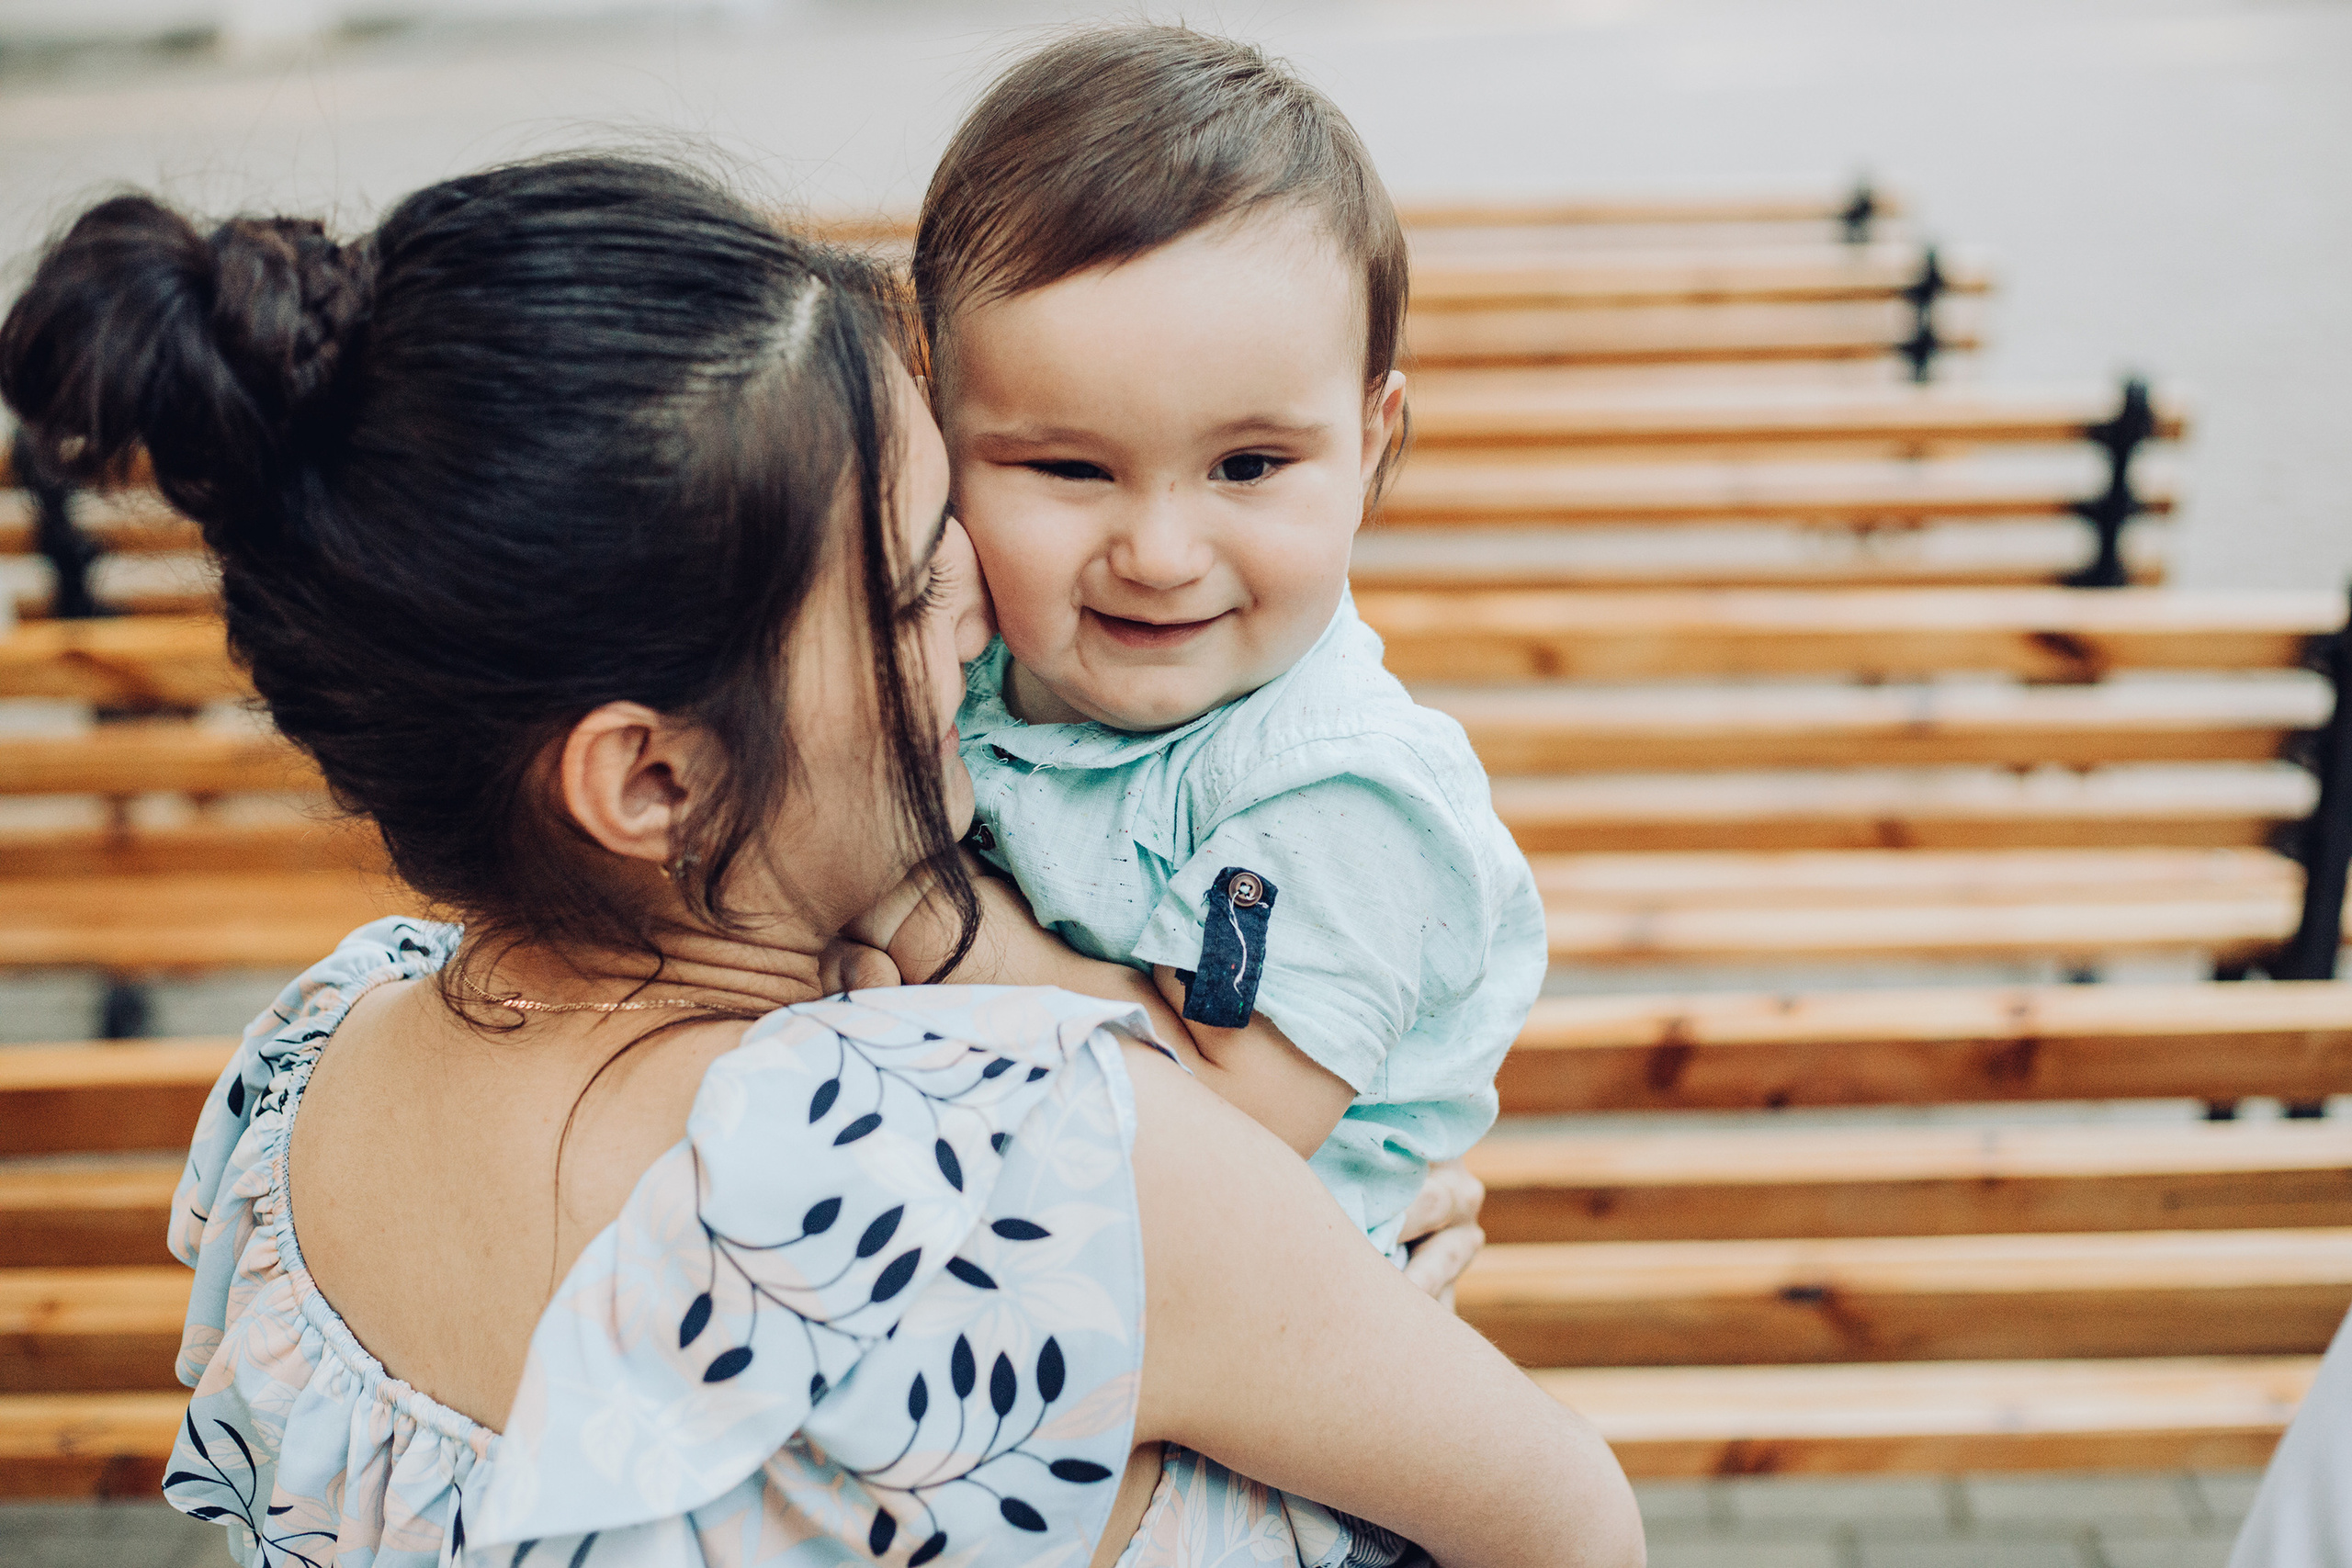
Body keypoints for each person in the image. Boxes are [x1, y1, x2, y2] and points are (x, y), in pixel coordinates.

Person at [0, 157, 1643, 1567]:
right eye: (917, 588)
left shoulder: (311, 1071)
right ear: (652, 775)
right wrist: (1307, 1332)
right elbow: (1569, 1525)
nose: (984, 623)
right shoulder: (1025, 1171)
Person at [852, 26, 1545, 1286]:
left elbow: (1217, 1136)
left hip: (1239, 1390)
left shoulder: (1348, 794)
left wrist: (907, 909)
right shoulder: (943, 661)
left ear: (1373, 442)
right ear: (933, 420)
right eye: (1068, 468)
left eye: (1248, 467)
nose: (1161, 552)